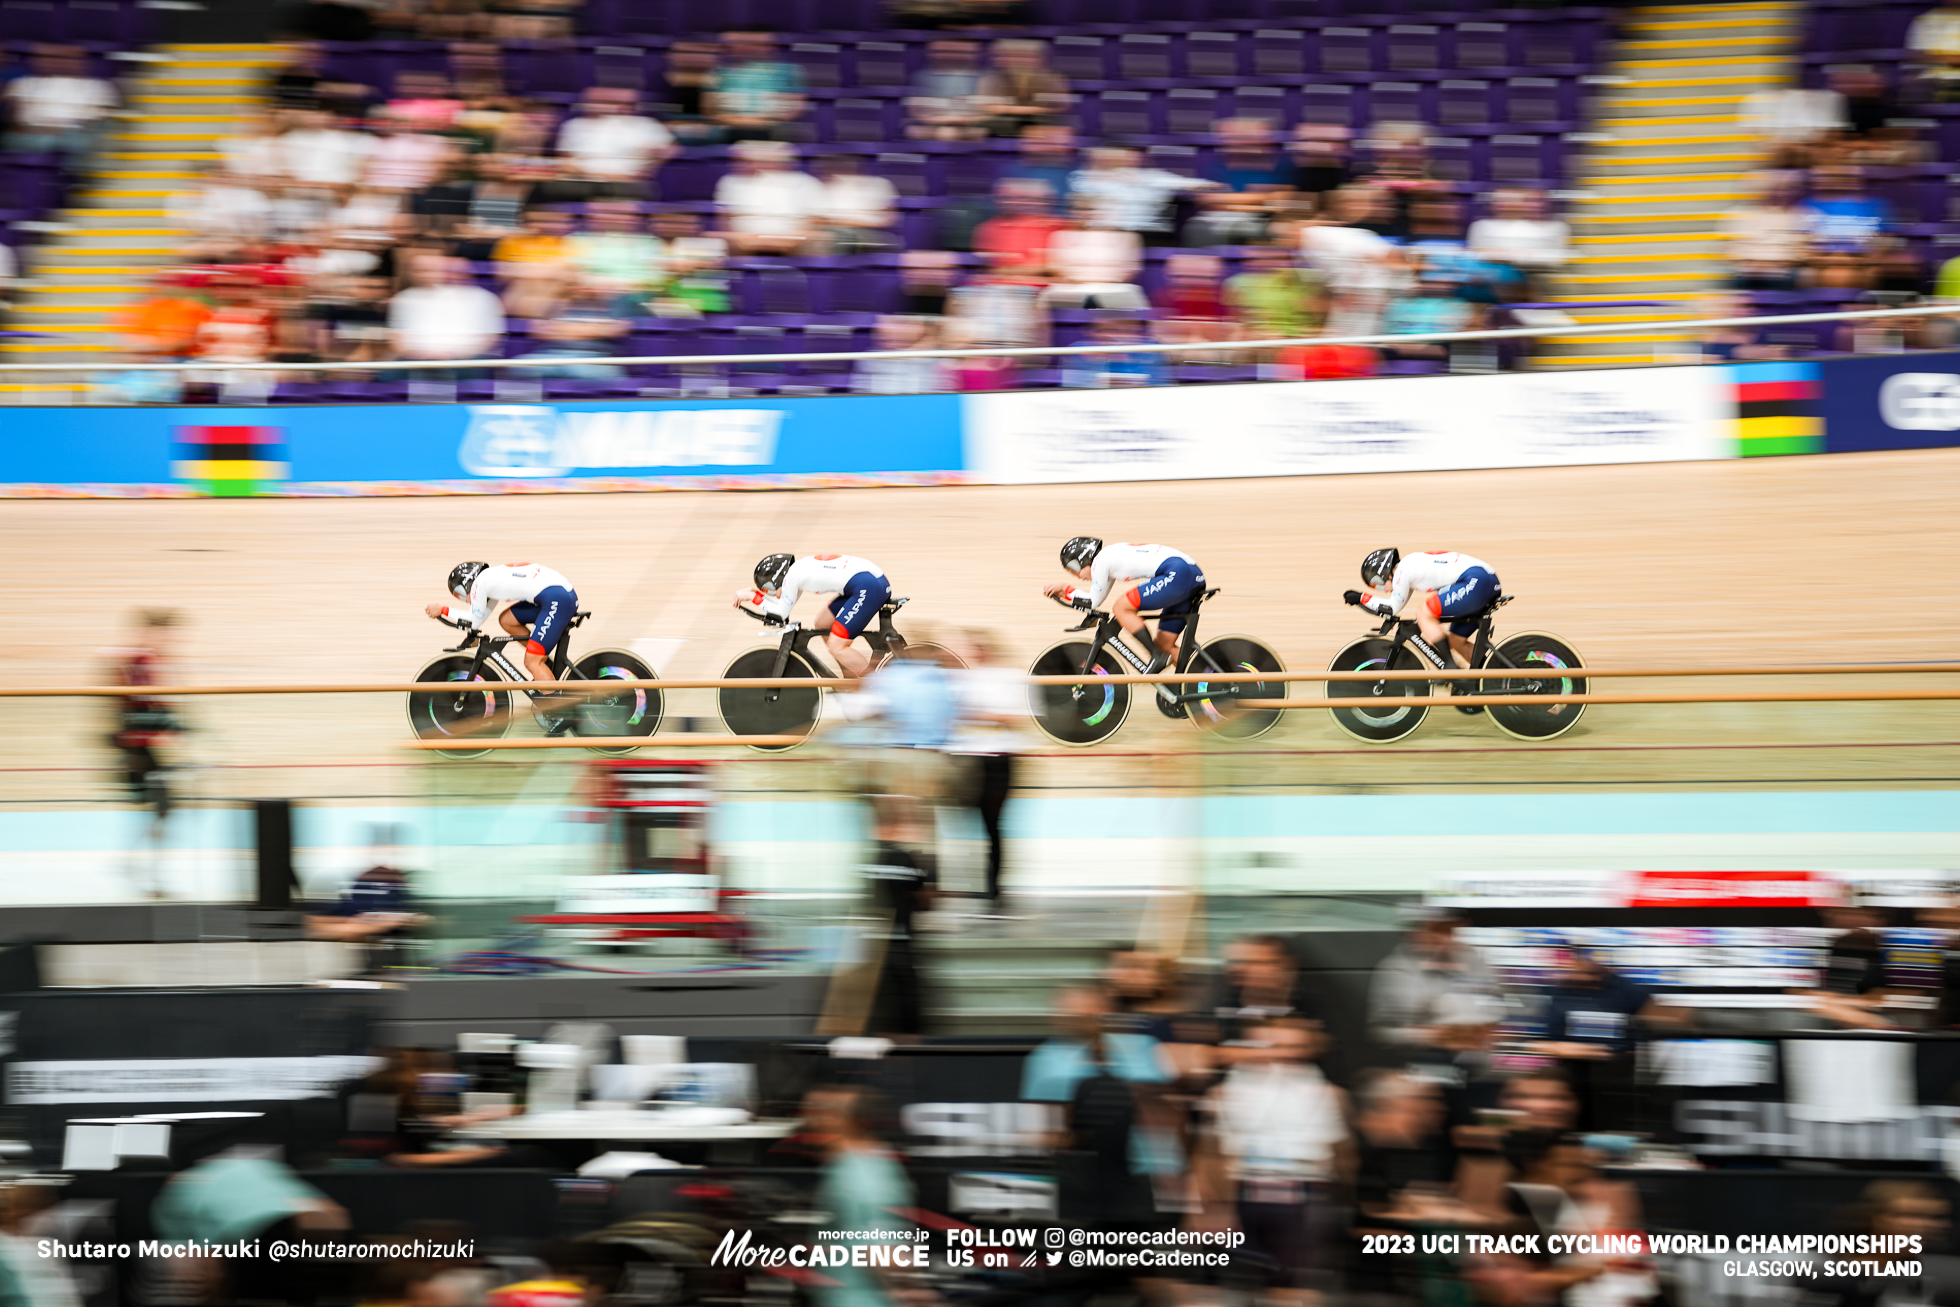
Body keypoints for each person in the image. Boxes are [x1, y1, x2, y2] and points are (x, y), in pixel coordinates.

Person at [1200, 1018, 1350, 1305]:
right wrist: (1215, 1206)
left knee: (1290, 1288)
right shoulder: (1228, 1091)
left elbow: (1339, 1157)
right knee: (1226, 1289)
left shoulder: (1324, 1093)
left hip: (1302, 1195)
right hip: (1240, 1191)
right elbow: (1211, 1151)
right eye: (1270, 1045)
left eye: (1292, 1047)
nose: (1281, 1055)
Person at [1367, 906, 1505, 1069]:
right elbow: (1380, 1032)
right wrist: (1430, 1035)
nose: (1446, 938)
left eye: (1451, 930)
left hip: (1477, 1060)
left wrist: (1484, 1029)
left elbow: (1496, 1002)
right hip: (1426, 1060)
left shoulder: (1473, 959)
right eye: (1438, 930)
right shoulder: (1396, 969)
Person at [1044, 537, 1203, 675]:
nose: (1077, 576)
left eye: (1074, 570)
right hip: (1188, 572)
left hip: (1179, 572)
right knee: (1164, 645)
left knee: (1121, 607)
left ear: (1084, 559)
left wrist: (1065, 588)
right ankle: (1203, 673)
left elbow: (1092, 601)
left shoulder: (1100, 562)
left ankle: (1156, 656)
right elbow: (1095, 601)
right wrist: (1067, 594)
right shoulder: (1107, 559)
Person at [110, 609, 184, 898]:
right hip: (138, 748)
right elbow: (142, 704)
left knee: (161, 809)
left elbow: (151, 704)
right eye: (165, 633)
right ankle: (145, 872)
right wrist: (172, 726)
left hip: (141, 747)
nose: (170, 639)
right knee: (163, 808)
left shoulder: (145, 661)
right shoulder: (140, 662)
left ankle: (134, 865)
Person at [1344, 547, 1500, 683]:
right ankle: (1496, 676)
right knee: (1455, 640)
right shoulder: (1409, 566)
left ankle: (1449, 666)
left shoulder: (1401, 572)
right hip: (1485, 579)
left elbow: (1392, 607)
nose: (1383, 590)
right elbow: (1395, 604)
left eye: (1378, 584)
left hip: (1476, 580)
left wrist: (1361, 597)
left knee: (1423, 613)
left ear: (1384, 572)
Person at [426, 560, 578, 692]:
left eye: (459, 593)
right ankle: (545, 664)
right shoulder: (489, 579)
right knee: (507, 620)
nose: (464, 600)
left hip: (557, 599)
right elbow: (478, 619)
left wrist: (443, 610)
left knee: (531, 661)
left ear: (467, 583)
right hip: (558, 595)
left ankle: (556, 711)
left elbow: (473, 621)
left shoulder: (480, 583)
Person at [735, 553, 891, 680]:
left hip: (869, 587)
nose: (772, 595)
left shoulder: (792, 577)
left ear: (776, 578)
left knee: (837, 646)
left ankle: (876, 689)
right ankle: (850, 677)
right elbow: (781, 608)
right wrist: (756, 595)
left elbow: (781, 613)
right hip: (867, 582)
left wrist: (753, 596)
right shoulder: (796, 571)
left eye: (768, 589)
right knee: (822, 623)